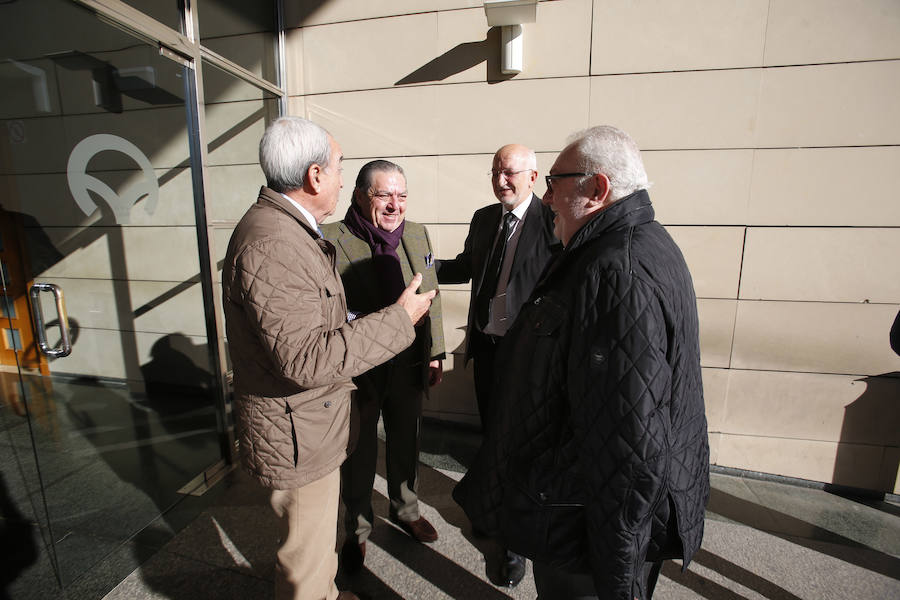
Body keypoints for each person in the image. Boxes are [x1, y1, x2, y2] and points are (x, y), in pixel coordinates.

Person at [453, 126, 710, 599]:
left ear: (597, 189)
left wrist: (617, 569)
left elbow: (629, 441)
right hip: (588, 513)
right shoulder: (629, 244)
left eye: (553, 183)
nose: (546, 198)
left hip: (584, 528)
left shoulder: (617, 270)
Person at [222, 116, 435, 600]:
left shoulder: (287, 229)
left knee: (315, 554)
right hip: (299, 434)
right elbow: (307, 359)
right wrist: (399, 320)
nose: (342, 178)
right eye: (339, 168)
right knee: (303, 561)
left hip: (309, 425)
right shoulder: (276, 242)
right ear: (315, 176)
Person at [436, 143, 558, 587]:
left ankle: (514, 543)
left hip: (528, 357)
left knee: (522, 450)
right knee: (493, 440)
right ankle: (490, 511)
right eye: (495, 172)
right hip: (488, 350)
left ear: (532, 176)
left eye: (509, 173)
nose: (501, 180)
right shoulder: (485, 218)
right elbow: (467, 267)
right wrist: (418, 269)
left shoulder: (552, 222)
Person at [321, 160, 445, 572]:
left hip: (409, 361)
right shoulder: (329, 239)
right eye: (384, 195)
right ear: (359, 195)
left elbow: (432, 294)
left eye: (402, 195)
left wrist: (435, 350)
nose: (395, 205)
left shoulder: (416, 232)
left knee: (407, 439)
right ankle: (355, 529)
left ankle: (406, 509)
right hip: (359, 365)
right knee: (357, 449)